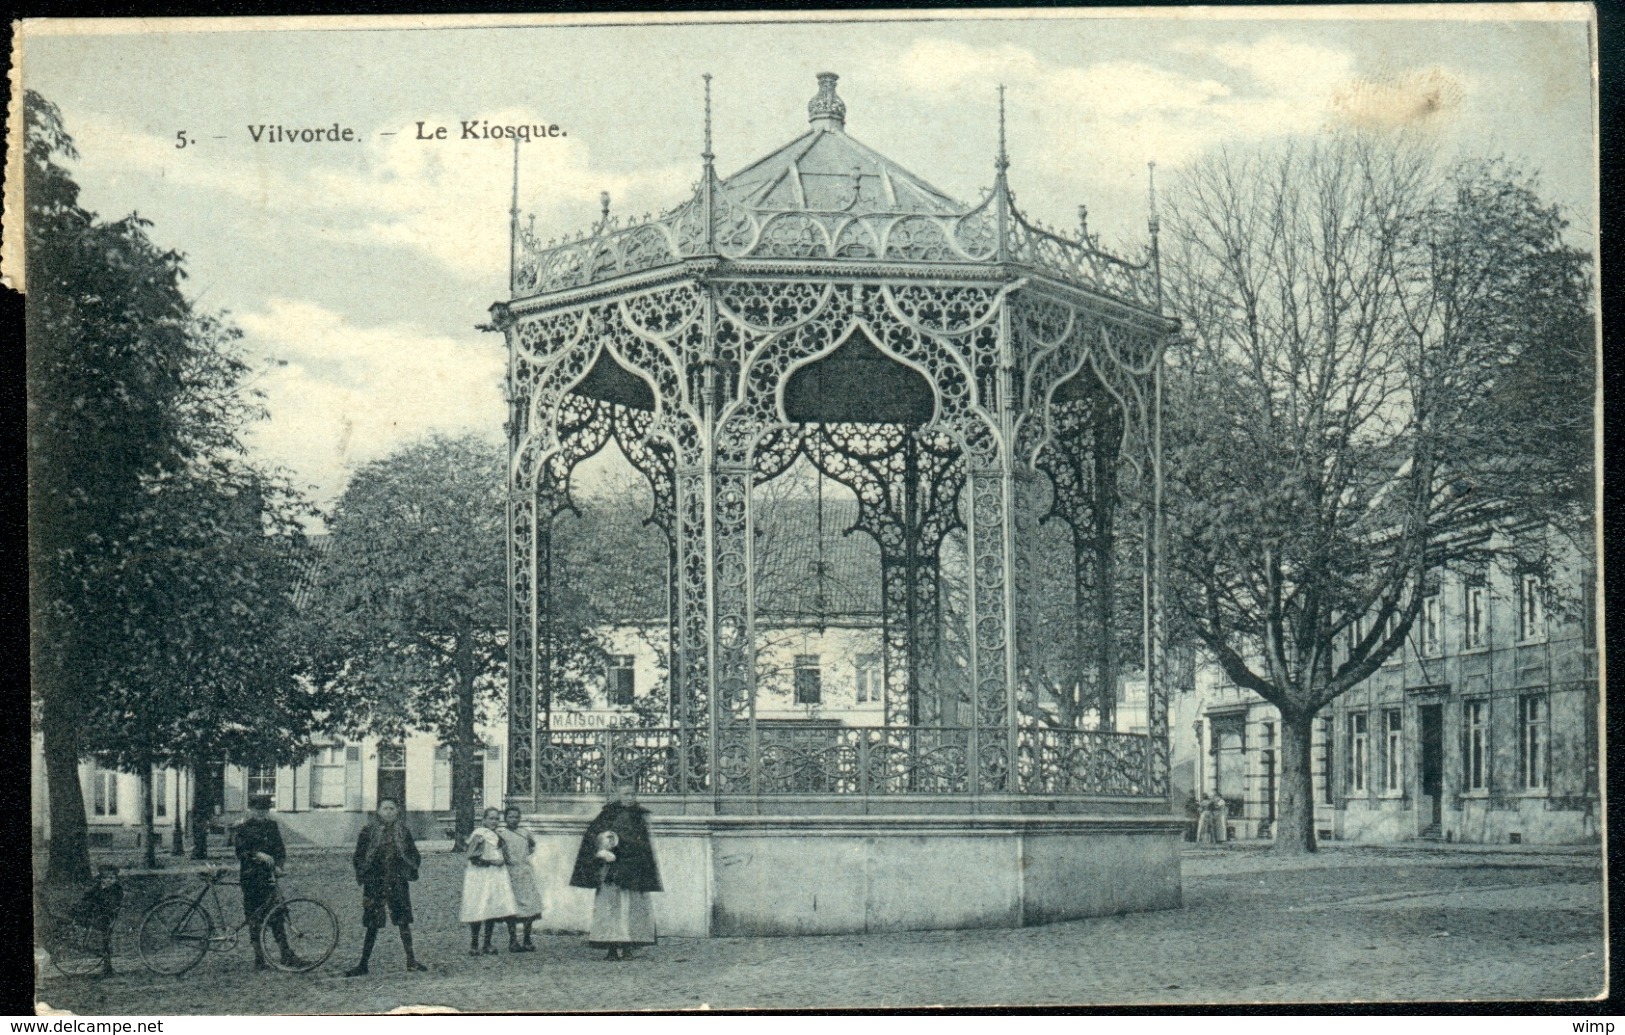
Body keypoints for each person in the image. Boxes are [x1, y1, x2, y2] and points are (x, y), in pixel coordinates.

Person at [569, 779, 661, 960]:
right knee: (609, 908)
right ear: (617, 795)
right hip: (611, 869)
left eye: (633, 793)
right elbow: (593, 835)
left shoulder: (638, 815)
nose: (630, 797)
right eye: (626, 794)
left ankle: (628, 946)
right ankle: (611, 948)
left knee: (631, 908)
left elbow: (643, 844)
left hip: (632, 869)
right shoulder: (607, 814)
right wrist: (603, 844)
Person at [343, 798, 426, 976]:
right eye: (385, 808)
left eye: (392, 808)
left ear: (397, 812)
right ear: (378, 811)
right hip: (375, 883)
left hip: (397, 882)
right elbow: (358, 857)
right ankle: (363, 964)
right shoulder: (367, 831)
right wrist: (365, 874)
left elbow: (414, 855)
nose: (388, 812)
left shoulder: (403, 832)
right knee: (372, 924)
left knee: (404, 922)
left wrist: (407, 869)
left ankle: (411, 961)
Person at [233, 795, 300, 971]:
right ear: (251, 810)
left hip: (268, 877)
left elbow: (280, 849)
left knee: (277, 914)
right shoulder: (243, 828)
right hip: (251, 878)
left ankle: (286, 954)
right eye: (257, 811)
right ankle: (259, 957)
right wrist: (257, 854)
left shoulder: (272, 826)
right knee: (254, 917)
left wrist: (279, 866)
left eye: (264, 811)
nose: (261, 814)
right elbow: (241, 852)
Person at [461, 807, 520, 956]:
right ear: (484, 820)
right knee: (478, 907)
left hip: (495, 876)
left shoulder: (496, 836)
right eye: (491, 818)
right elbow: (473, 857)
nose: (494, 822)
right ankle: (474, 944)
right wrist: (493, 862)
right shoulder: (479, 834)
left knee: (491, 908)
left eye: (496, 819)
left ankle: (487, 943)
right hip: (480, 876)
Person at [499, 805, 543, 952]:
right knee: (512, 907)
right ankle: (513, 940)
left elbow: (532, 846)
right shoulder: (502, 835)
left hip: (524, 872)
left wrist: (523, 859)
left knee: (529, 906)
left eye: (517, 817)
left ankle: (527, 939)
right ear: (505, 818)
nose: (514, 820)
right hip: (510, 874)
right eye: (510, 817)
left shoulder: (524, 833)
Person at [70, 866, 124, 977]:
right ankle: (77, 934)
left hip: (106, 917)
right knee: (77, 915)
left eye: (111, 878)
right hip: (95, 913)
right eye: (105, 878)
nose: (108, 880)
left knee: (105, 940)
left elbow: (112, 905)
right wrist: (84, 903)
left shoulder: (116, 890)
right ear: (101, 878)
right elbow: (87, 895)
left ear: (116, 879)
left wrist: (97, 903)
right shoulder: (97, 887)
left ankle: (107, 967)